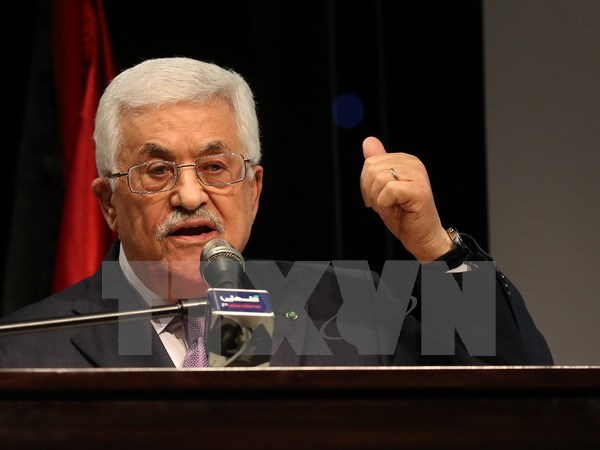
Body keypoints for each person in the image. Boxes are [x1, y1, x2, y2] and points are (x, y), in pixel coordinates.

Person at [0, 57, 553, 367]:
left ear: (255, 188)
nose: (190, 196)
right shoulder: (24, 348)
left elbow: (519, 392)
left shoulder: (347, 311)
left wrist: (433, 245)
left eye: (215, 167)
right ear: (108, 203)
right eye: (157, 171)